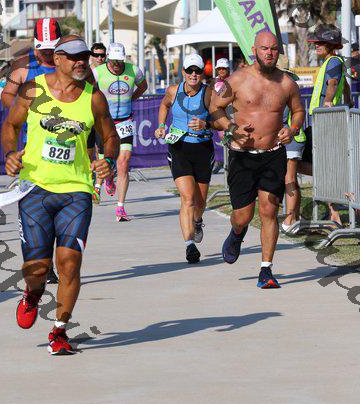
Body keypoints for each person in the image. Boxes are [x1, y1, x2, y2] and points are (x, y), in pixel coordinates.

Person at [1, 35, 119, 355]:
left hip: (75, 191)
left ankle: (59, 330)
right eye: (74, 56)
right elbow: (10, 126)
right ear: (57, 59)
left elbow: (110, 136)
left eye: (84, 56)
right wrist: (10, 153)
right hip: (35, 189)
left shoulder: (94, 97)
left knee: (69, 264)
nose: (81, 61)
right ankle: (32, 293)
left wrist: (108, 160)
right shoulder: (33, 90)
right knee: (37, 269)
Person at [210, 32, 305, 289]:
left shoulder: (287, 83)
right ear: (254, 50)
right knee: (243, 216)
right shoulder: (237, 80)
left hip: (273, 154)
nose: (269, 53)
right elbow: (215, 108)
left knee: (269, 211)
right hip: (242, 156)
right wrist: (231, 128)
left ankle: (266, 270)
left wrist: (292, 129)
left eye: (273, 49)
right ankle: (237, 232)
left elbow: (298, 111)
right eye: (264, 48)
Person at [0, 17, 62, 285]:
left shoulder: (70, 64)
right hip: (32, 150)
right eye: (42, 48)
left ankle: (52, 260)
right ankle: (43, 262)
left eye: (51, 48)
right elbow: (6, 96)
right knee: (36, 210)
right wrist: (23, 108)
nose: (46, 53)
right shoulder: (23, 67)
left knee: (61, 208)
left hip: (66, 147)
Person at [155, 54, 214, 264]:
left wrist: (206, 124)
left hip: (203, 149)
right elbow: (164, 105)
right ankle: (189, 245)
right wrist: (161, 126)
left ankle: (197, 221)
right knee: (188, 198)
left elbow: (221, 119)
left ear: (202, 73)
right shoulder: (174, 90)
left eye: (197, 71)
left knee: (200, 201)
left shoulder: (209, 93)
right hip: (179, 147)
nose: (193, 74)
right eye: (190, 70)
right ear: (183, 72)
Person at [300, 24, 350, 225]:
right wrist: (349, 101)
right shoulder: (333, 62)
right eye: (316, 43)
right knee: (321, 164)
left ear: (331, 45)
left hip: (325, 121)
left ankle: (334, 209)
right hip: (322, 120)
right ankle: (333, 209)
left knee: (299, 161)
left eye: (320, 43)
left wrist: (328, 102)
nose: (316, 46)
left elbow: (333, 84)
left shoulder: (333, 61)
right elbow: (345, 85)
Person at [93, 42, 148, 221]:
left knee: (123, 164)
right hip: (105, 123)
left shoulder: (134, 71)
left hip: (125, 121)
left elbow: (143, 86)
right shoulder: (98, 72)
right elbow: (87, 91)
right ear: (108, 58)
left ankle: (120, 208)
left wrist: (131, 98)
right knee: (105, 162)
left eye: (119, 61)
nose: (116, 64)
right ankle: (108, 178)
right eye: (113, 60)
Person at [0, 17, 61, 109]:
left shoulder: (69, 61)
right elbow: (7, 94)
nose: (48, 52)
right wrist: (23, 110)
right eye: (44, 48)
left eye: (51, 48)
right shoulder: (22, 64)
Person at [280, 70, 307, 232]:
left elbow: (282, 119)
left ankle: (290, 219)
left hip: (292, 140)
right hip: (292, 140)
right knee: (292, 180)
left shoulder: (287, 93)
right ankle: (295, 216)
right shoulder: (290, 92)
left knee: (289, 179)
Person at [88, 42, 107, 203]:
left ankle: (97, 188)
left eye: (102, 55)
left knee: (102, 154)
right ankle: (88, 184)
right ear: (91, 56)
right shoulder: (85, 72)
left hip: (102, 119)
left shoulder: (109, 71)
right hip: (87, 118)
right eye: (96, 55)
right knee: (88, 155)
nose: (99, 58)